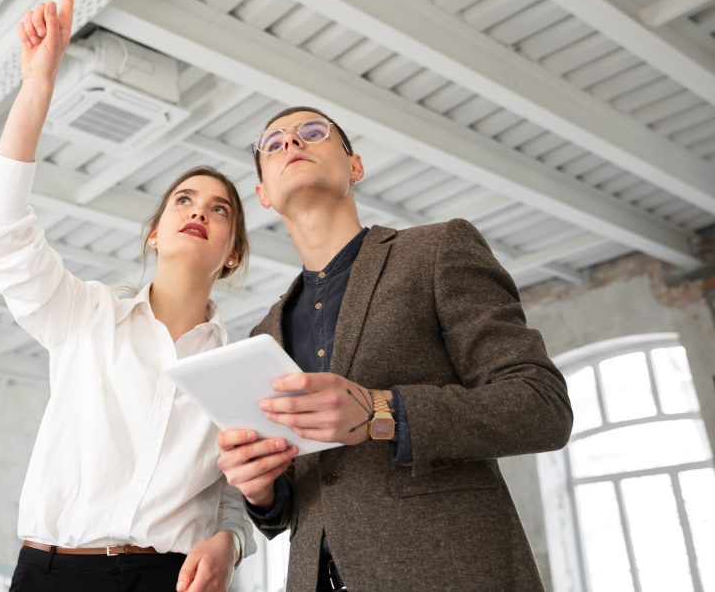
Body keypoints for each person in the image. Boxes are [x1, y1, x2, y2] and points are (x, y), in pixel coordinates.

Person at [0, 0, 254, 592]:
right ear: (155, 232)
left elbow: (239, 487)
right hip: (53, 572)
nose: (199, 212)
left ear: (232, 254)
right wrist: (37, 84)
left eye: (219, 208)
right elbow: (0, 235)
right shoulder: (85, 316)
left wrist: (230, 542)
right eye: (183, 200)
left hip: (169, 578)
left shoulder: (240, 368)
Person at [215, 107, 573, 591]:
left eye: (312, 132)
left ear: (355, 166)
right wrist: (261, 492)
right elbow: (301, 501)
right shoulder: (265, 334)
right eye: (273, 144)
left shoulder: (437, 250)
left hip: (451, 572)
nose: (292, 144)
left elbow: (542, 405)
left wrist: (381, 411)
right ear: (263, 196)